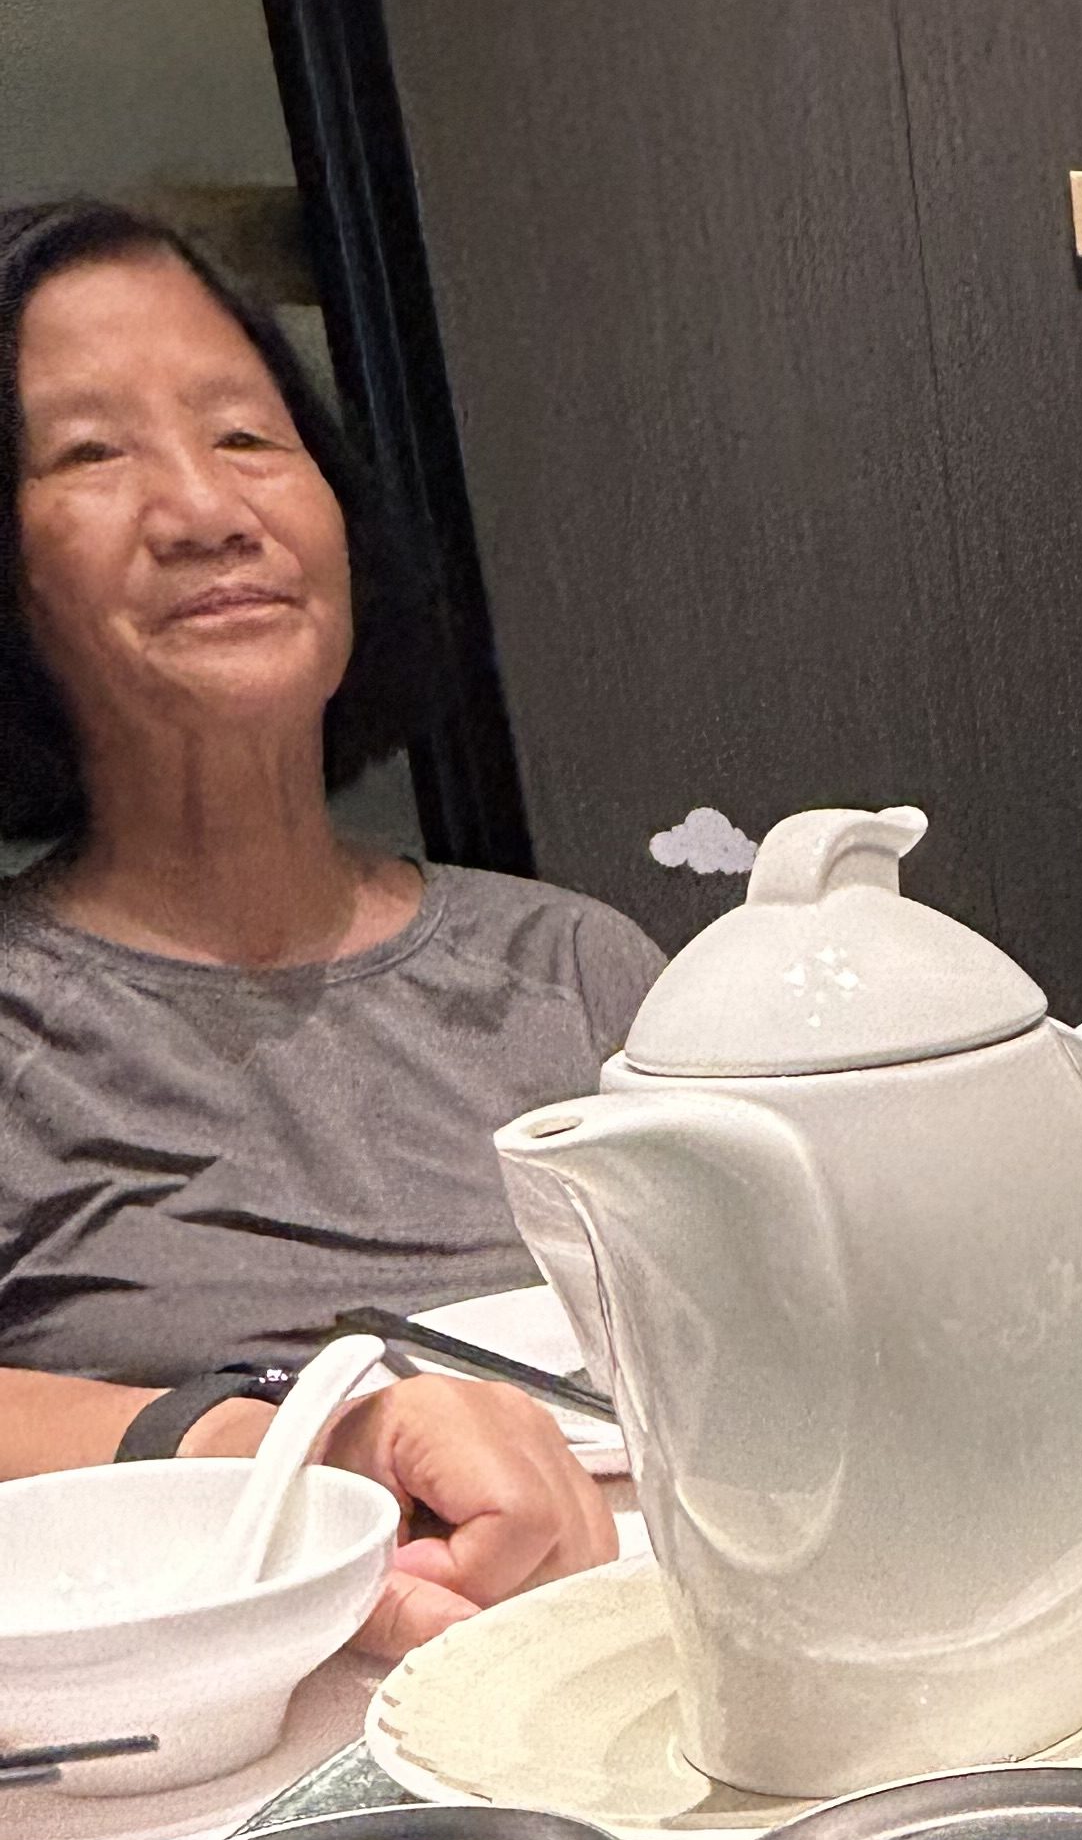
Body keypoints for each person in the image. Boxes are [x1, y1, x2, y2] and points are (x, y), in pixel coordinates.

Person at [0, 197, 636, 1653]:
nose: (206, 512)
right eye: (90, 453)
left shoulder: (572, 968)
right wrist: (300, 1448)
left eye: (246, 435)